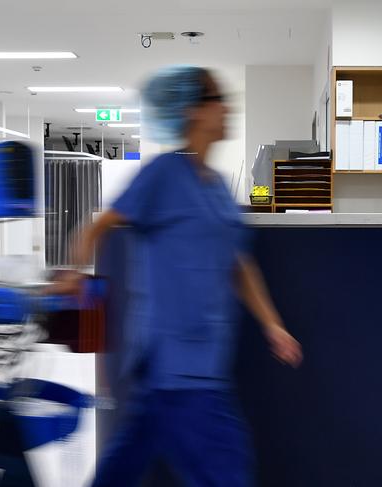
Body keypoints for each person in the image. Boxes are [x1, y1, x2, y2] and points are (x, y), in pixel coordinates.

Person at [56, 65, 302, 487]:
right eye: (217, 100)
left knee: (125, 464)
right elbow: (97, 227)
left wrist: (273, 325)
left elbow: (239, 265)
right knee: (227, 470)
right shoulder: (164, 174)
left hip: (196, 364)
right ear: (192, 112)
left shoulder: (219, 188)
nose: (227, 108)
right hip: (178, 366)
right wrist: (74, 274)